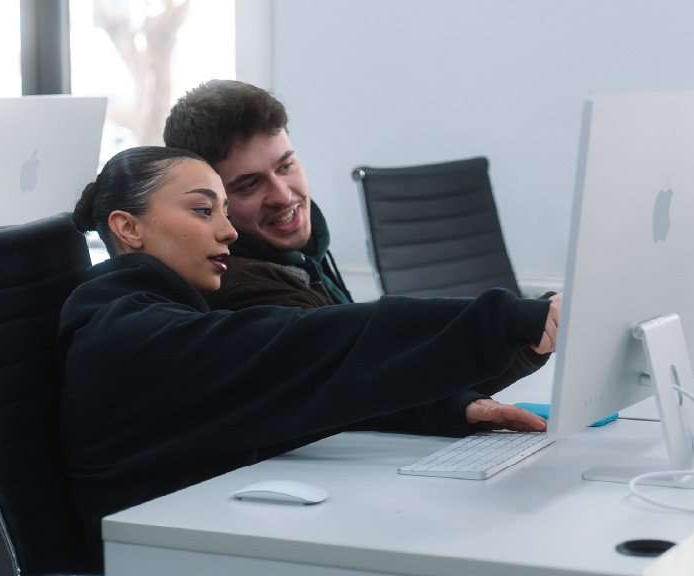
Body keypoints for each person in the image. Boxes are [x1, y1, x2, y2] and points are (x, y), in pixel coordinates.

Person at [61, 146, 561, 569]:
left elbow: (289, 395)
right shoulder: (137, 337)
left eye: (225, 212)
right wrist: (510, 319)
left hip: (194, 554)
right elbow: (313, 345)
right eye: (202, 210)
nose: (229, 232)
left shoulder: (149, 319)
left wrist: (451, 409)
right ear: (128, 228)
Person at [163, 78, 551, 394]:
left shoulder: (302, 258)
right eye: (249, 185)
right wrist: (525, 328)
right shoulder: (244, 291)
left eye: (286, 166)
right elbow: (390, 382)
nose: (282, 195)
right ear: (210, 201)